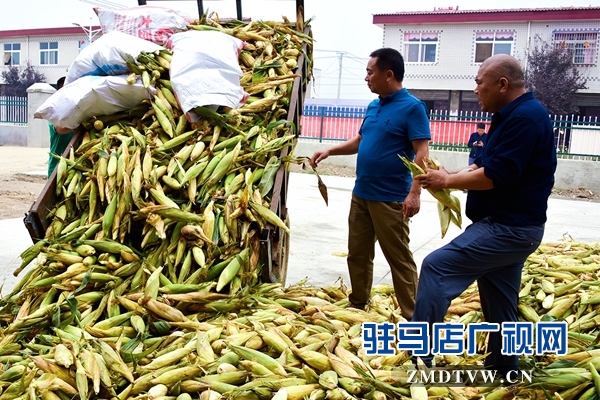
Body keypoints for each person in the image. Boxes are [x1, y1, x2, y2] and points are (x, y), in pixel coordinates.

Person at [411, 54, 557, 373]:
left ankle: (417, 358)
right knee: (500, 301)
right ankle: (505, 369)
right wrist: (453, 174)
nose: (475, 89)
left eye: (479, 82)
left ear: (502, 84)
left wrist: (448, 180)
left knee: (436, 267)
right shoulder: (510, 115)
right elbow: (485, 165)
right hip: (516, 228)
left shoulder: (525, 119)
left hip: (507, 229)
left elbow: (497, 175)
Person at [310, 48, 430, 320]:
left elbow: (422, 153)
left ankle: (415, 318)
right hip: (362, 193)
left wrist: (415, 193)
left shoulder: (413, 107)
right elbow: (361, 140)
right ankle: (358, 302)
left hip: (391, 198)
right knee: (358, 254)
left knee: (399, 259)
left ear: (388, 75)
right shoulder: (374, 105)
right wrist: (330, 151)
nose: (366, 78)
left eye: (369, 72)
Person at [47, 77, 75, 178]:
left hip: (75, 164)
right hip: (57, 165)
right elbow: (60, 129)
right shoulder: (53, 111)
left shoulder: (77, 110)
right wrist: (79, 125)